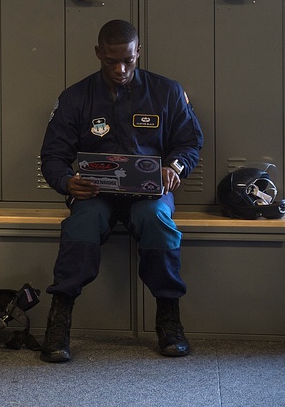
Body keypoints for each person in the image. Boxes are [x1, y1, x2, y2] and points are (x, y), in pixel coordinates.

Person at [39, 19, 203, 363]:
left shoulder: (167, 92)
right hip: (95, 195)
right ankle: (59, 321)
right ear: (98, 53)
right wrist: (67, 182)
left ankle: (169, 320)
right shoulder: (75, 97)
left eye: (128, 60)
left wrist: (175, 168)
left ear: (138, 52)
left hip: (147, 194)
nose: (120, 69)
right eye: (111, 61)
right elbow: (53, 155)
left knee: (159, 221)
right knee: (80, 225)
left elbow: (189, 142)